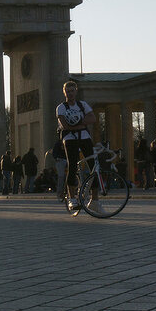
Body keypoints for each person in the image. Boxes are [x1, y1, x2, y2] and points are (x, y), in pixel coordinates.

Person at [56, 79, 97, 212]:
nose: (70, 93)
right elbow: (65, 125)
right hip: (69, 139)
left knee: (93, 166)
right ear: (64, 93)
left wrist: (77, 124)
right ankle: (72, 199)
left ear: (76, 91)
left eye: (72, 91)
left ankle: (95, 200)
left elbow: (93, 118)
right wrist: (82, 124)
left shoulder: (82, 104)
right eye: (67, 91)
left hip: (84, 137)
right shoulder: (61, 107)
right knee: (72, 165)